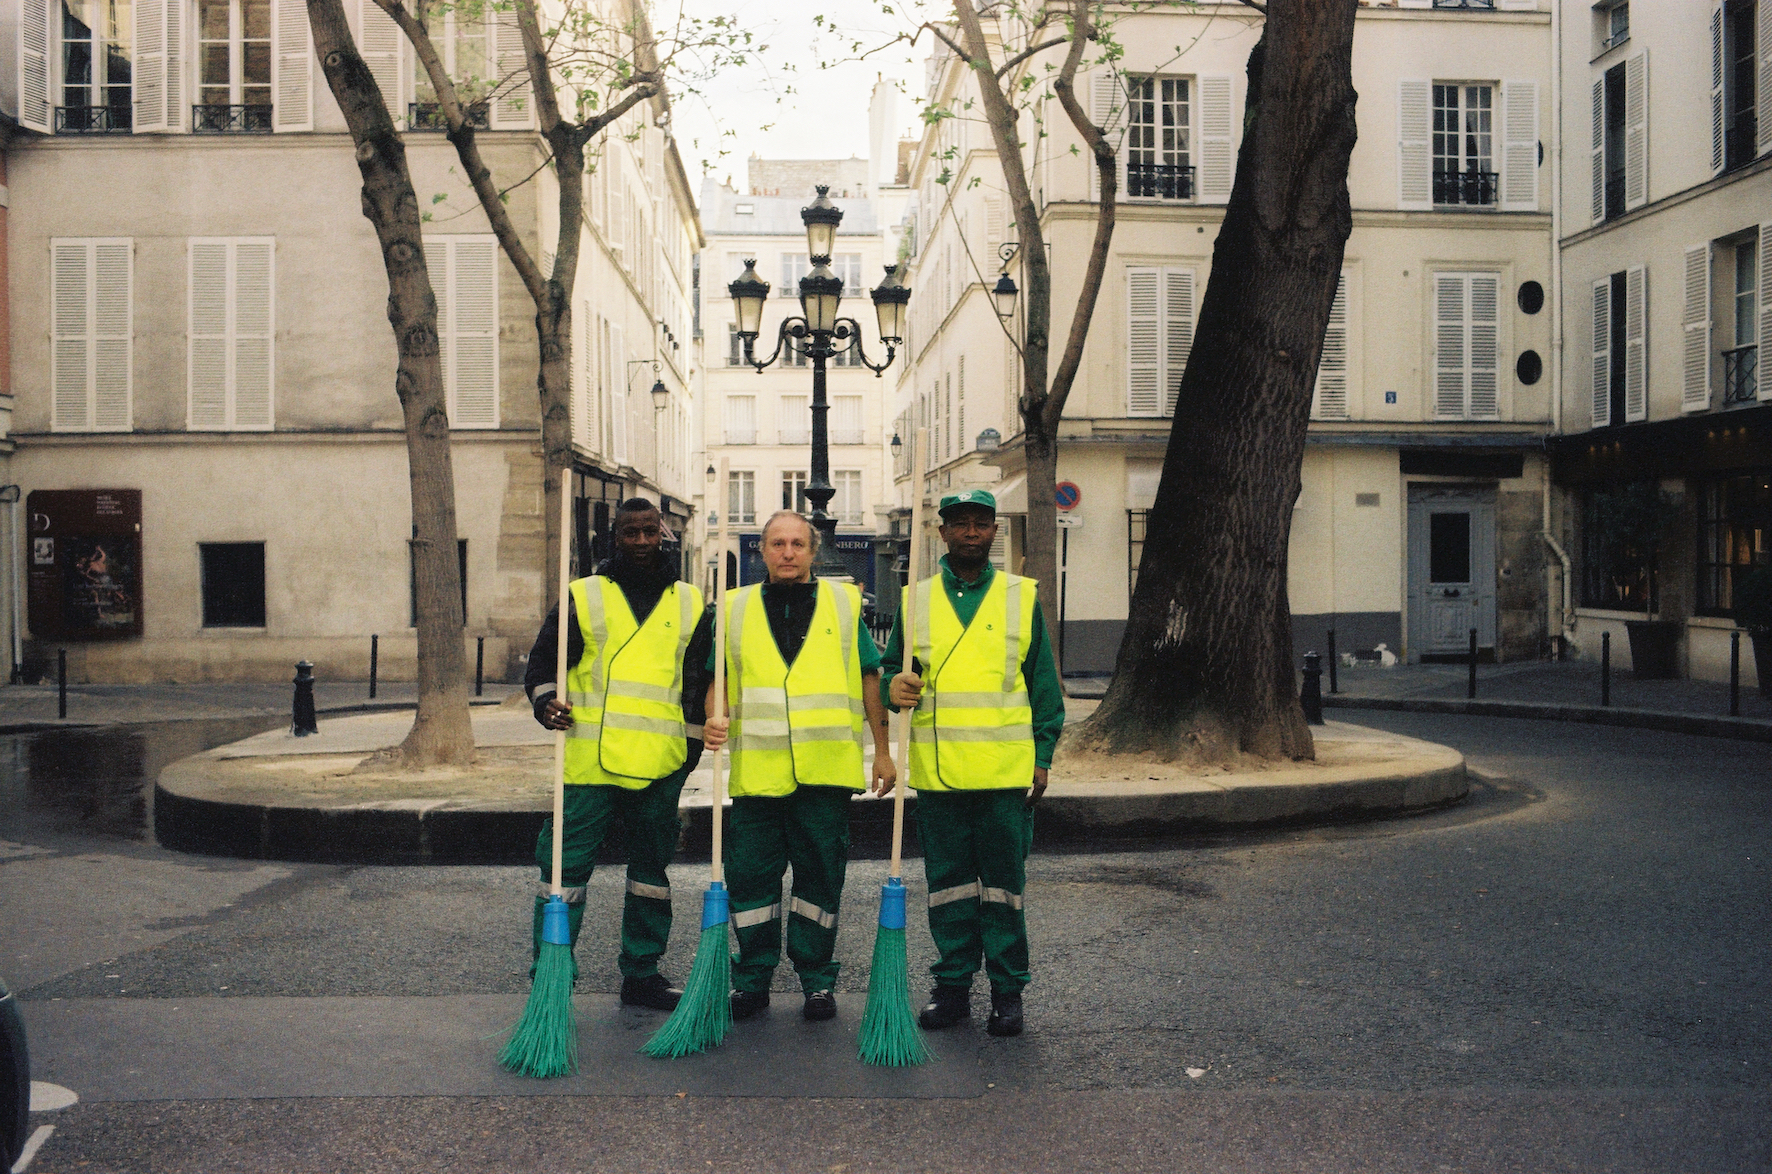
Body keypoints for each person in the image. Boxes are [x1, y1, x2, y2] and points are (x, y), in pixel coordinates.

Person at [877, 489, 1065, 1038]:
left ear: (994, 532)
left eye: (982, 523)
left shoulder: (1020, 596)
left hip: (1004, 773)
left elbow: (1043, 683)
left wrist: (1043, 755)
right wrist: (894, 688)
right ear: (943, 533)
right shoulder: (915, 600)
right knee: (949, 887)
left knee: (1003, 889)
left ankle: (1008, 992)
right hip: (940, 775)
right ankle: (953, 987)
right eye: (960, 523)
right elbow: (891, 674)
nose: (971, 532)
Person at [701, 511, 895, 1022]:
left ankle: (817, 981)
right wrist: (714, 717)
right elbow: (718, 679)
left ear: (813, 551)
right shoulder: (733, 608)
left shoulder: (845, 603)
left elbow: (870, 678)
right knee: (751, 882)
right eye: (777, 543)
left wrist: (882, 750)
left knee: (820, 881)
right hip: (758, 776)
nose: (787, 552)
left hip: (824, 774)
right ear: (762, 551)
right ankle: (752, 981)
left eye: (797, 544)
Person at [524, 497, 713, 1011]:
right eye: (631, 533)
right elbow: (542, 664)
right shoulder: (582, 596)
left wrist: (689, 751)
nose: (642, 541)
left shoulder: (690, 602)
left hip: (660, 762)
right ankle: (551, 975)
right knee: (563, 873)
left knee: (650, 875)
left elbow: (696, 685)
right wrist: (546, 702)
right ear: (616, 537)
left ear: (663, 534)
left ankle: (643, 974)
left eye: (650, 531)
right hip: (589, 762)